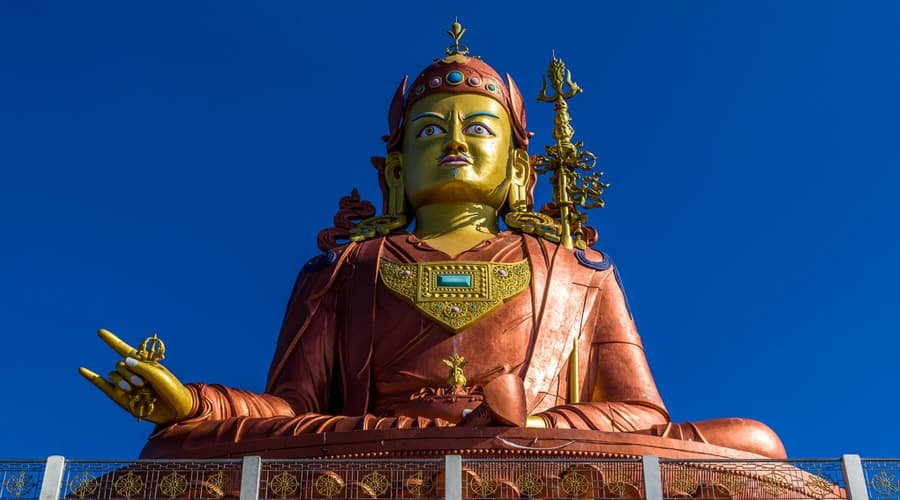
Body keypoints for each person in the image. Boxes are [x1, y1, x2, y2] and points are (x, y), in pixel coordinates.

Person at [80, 24, 786, 459]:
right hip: (369, 450)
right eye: (429, 131)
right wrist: (193, 405)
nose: (452, 141)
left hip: (533, 448)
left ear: (518, 168)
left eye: (477, 129)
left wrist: (540, 423)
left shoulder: (578, 273)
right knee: (175, 445)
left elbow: (639, 414)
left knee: (752, 444)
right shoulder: (342, 270)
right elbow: (296, 410)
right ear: (393, 170)